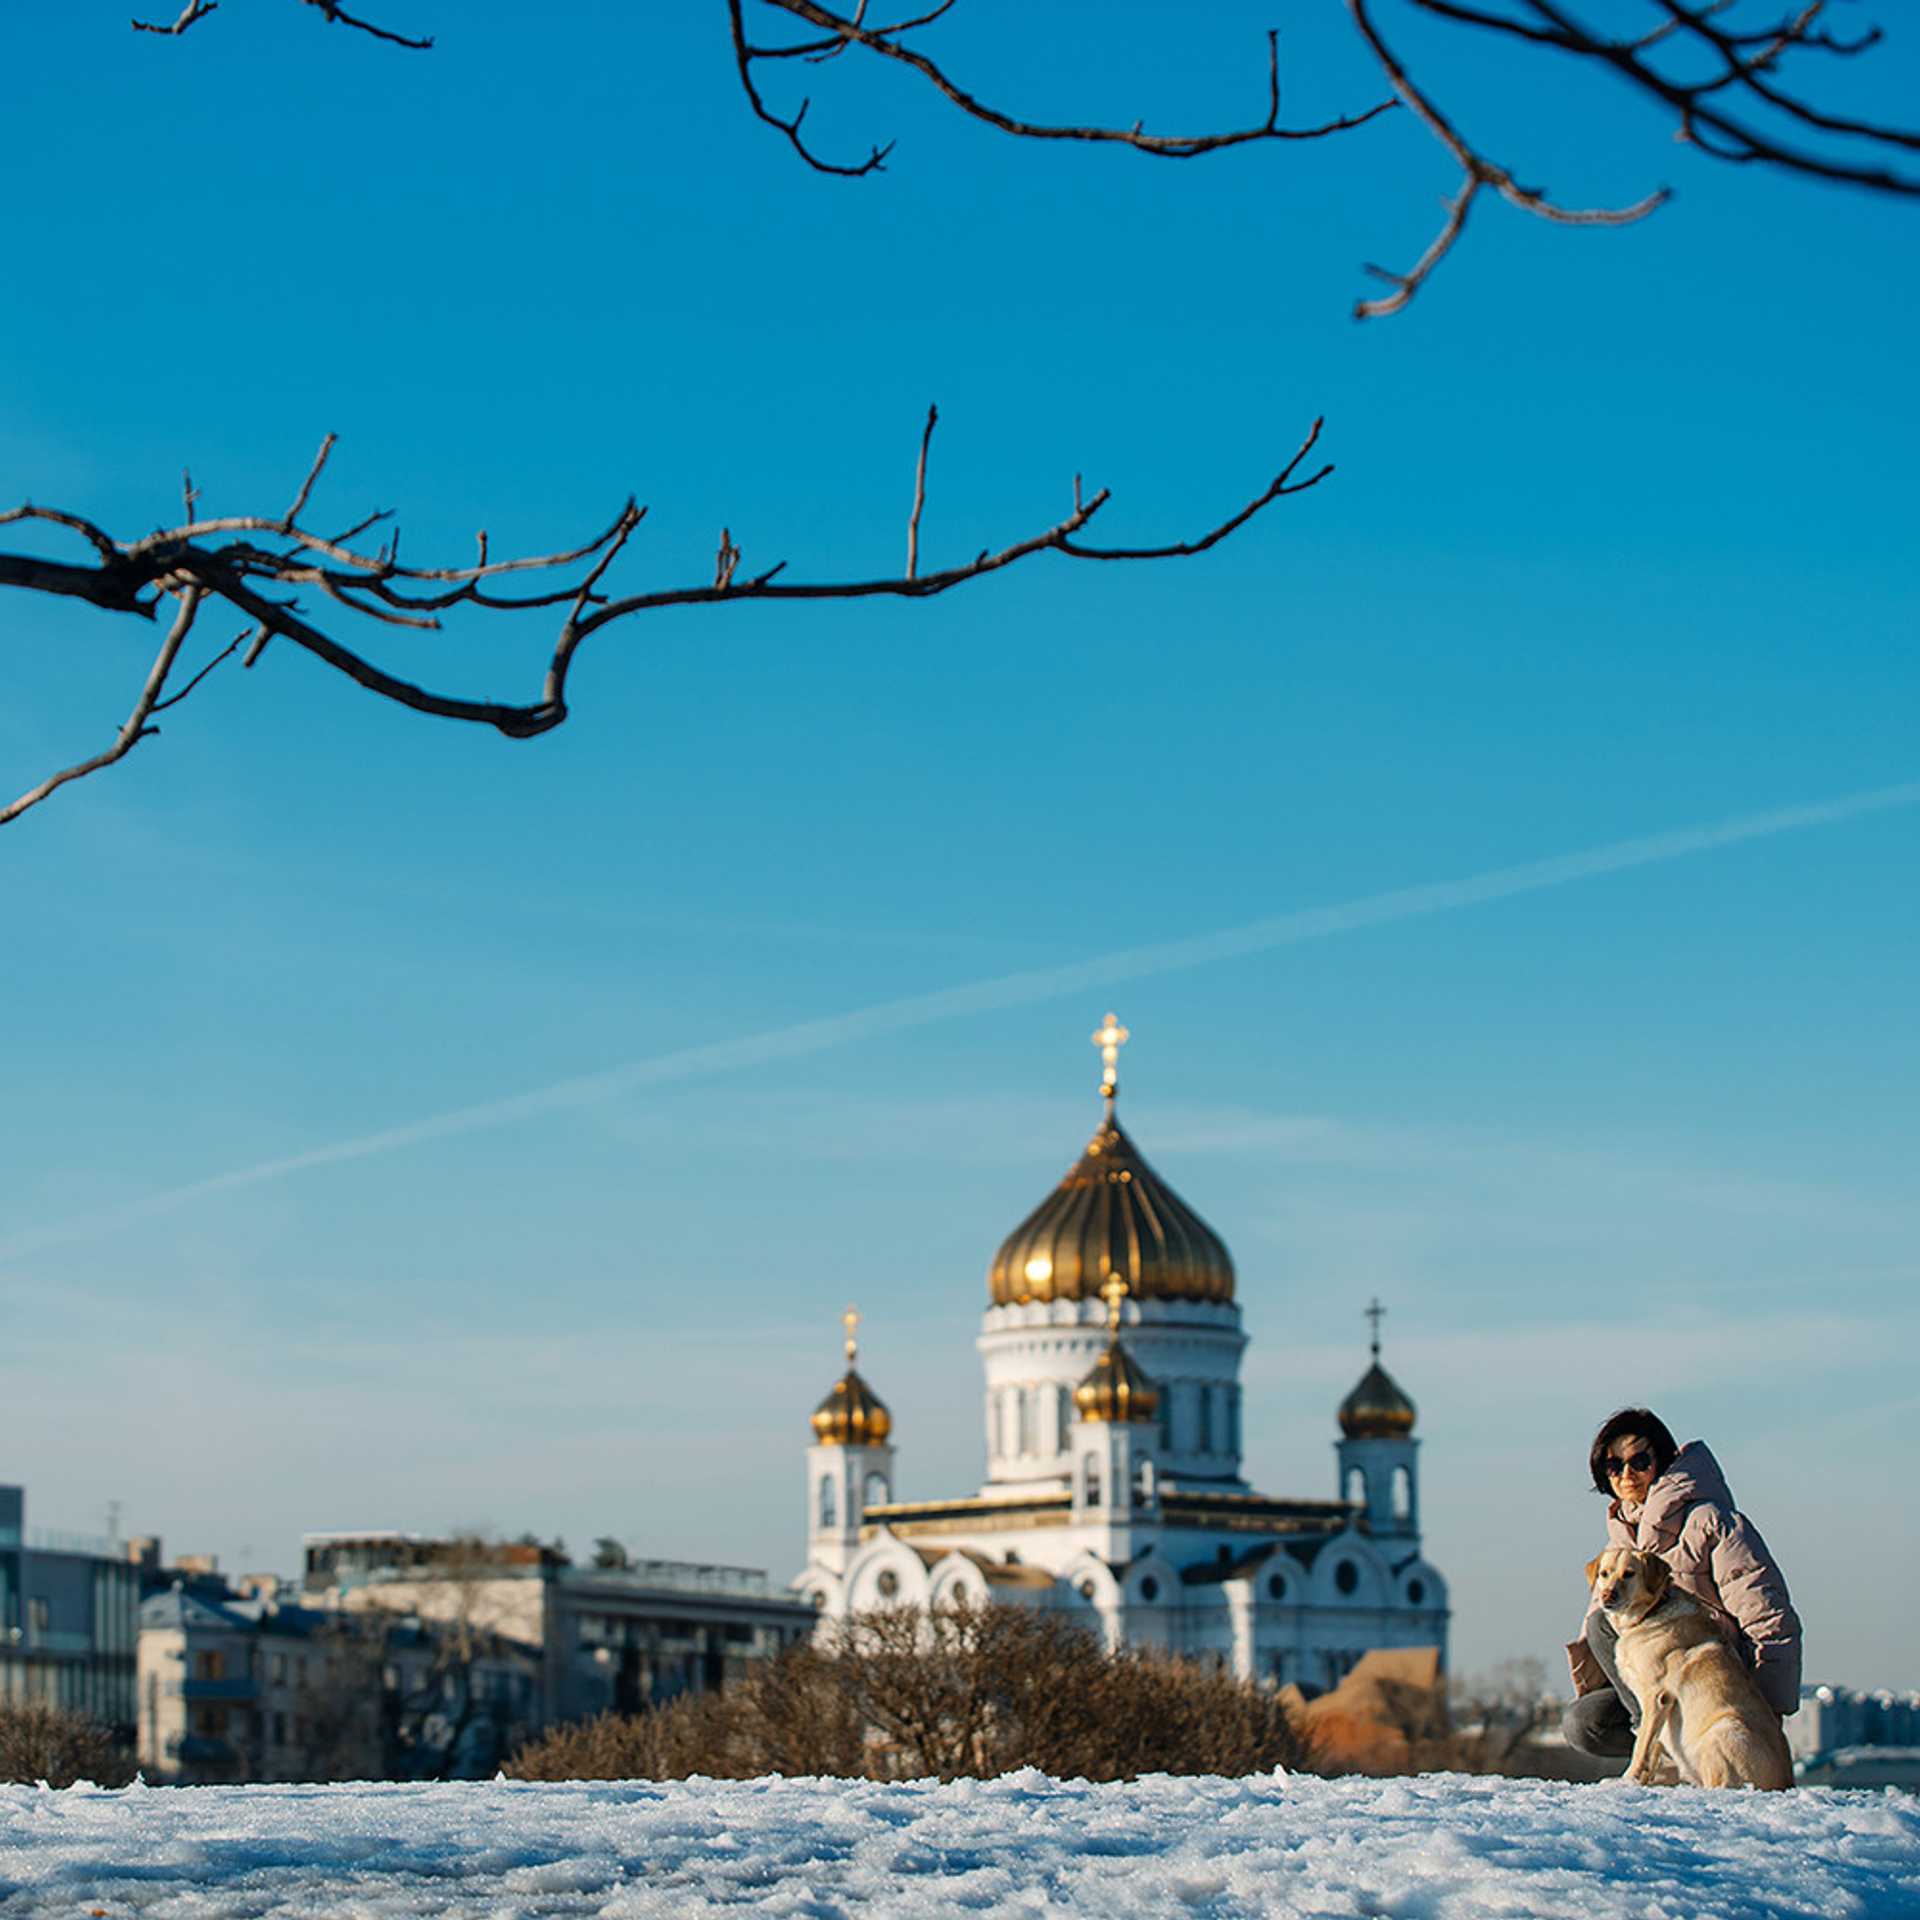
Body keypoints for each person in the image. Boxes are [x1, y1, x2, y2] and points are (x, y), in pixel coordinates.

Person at [1562, 1408, 1802, 1763]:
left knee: (1602, 1621)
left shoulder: (1711, 1523)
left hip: (1714, 1683)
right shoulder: (1618, 1545)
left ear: (1663, 1459)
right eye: (1614, 1466)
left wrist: (1767, 1713)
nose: (1626, 1474)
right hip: (1657, 1686)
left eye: (1639, 1461)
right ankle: (1661, 1748)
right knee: (1584, 1722)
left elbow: (1768, 1617)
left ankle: (1664, 1754)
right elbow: (1602, 1638)